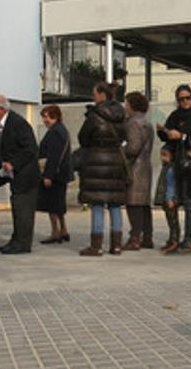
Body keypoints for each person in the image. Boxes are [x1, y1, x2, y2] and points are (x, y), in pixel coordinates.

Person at [77, 82, 128, 256]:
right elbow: (124, 136)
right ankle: (116, 245)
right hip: (116, 160)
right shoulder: (121, 114)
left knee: (97, 203)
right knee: (115, 203)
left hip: (96, 161)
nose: (93, 97)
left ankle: (96, 246)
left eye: (94, 93)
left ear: (101, 95)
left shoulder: (94, 115)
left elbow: (83, 137)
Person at [157, 85, 191, 253]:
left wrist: (183, 136)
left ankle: (188, 239)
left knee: (189, 202)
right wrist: (163, 132)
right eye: (181, 99)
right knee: (189, 202)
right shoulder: (175, 116)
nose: (185, 101)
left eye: (187, 98)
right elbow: (168, 137)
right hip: (178, 164)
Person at [0, 94, 38, 255]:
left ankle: (22, 243)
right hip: (14, 176)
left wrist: (13, 163)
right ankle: (16, 240)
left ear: (1, 108)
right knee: (17, 208)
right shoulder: (0, 125)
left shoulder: (18, 123)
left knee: (23, 210)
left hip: (25, 175)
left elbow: (30, 148)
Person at [122, 91, 155, 250]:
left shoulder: (133, 123)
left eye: (126, 103)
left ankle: (135, 237)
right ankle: (147, 237)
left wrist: (121, 151)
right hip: (145, 166)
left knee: (133, 203)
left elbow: (133, 148)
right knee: (144, 204)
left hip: (134, 168)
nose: (125, 106)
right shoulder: (147, 122)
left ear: (132, 105)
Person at [36, 104, 72, 245]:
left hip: (55, 174)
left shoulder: (55, 132)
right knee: (59, 203)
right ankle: (63, 230)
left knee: (52, 204)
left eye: (46, 117)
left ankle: (55, 231)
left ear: (54, 117)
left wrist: (48, 175)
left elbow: (54, 156)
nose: (45, 120)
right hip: (62, 173)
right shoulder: (62, 130)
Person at [154, 146, 180, 251]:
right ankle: (171, 240)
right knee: (170, 221)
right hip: (166, 198)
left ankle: (174, 240)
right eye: (161, 155)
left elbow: (172, 185)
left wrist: (171, 198)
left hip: (170, 199)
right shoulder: (166, 168)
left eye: (165, 155)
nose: (162, 158)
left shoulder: (172, 169)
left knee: (173, 221)